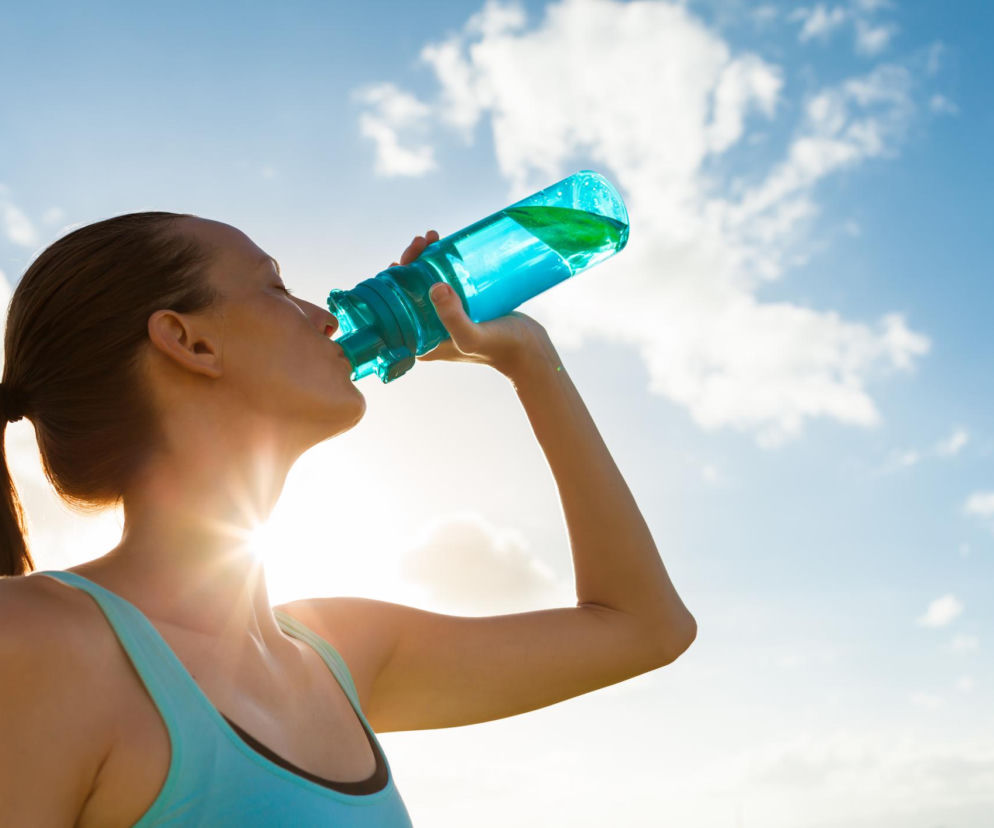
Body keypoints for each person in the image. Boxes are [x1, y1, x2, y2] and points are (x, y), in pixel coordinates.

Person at [0, 212, 697, 826]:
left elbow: (646, 629)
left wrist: (529, 360)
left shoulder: (337, 653)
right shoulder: (36, 642)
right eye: (275, 288)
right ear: (191, 343)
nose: (326, 314)